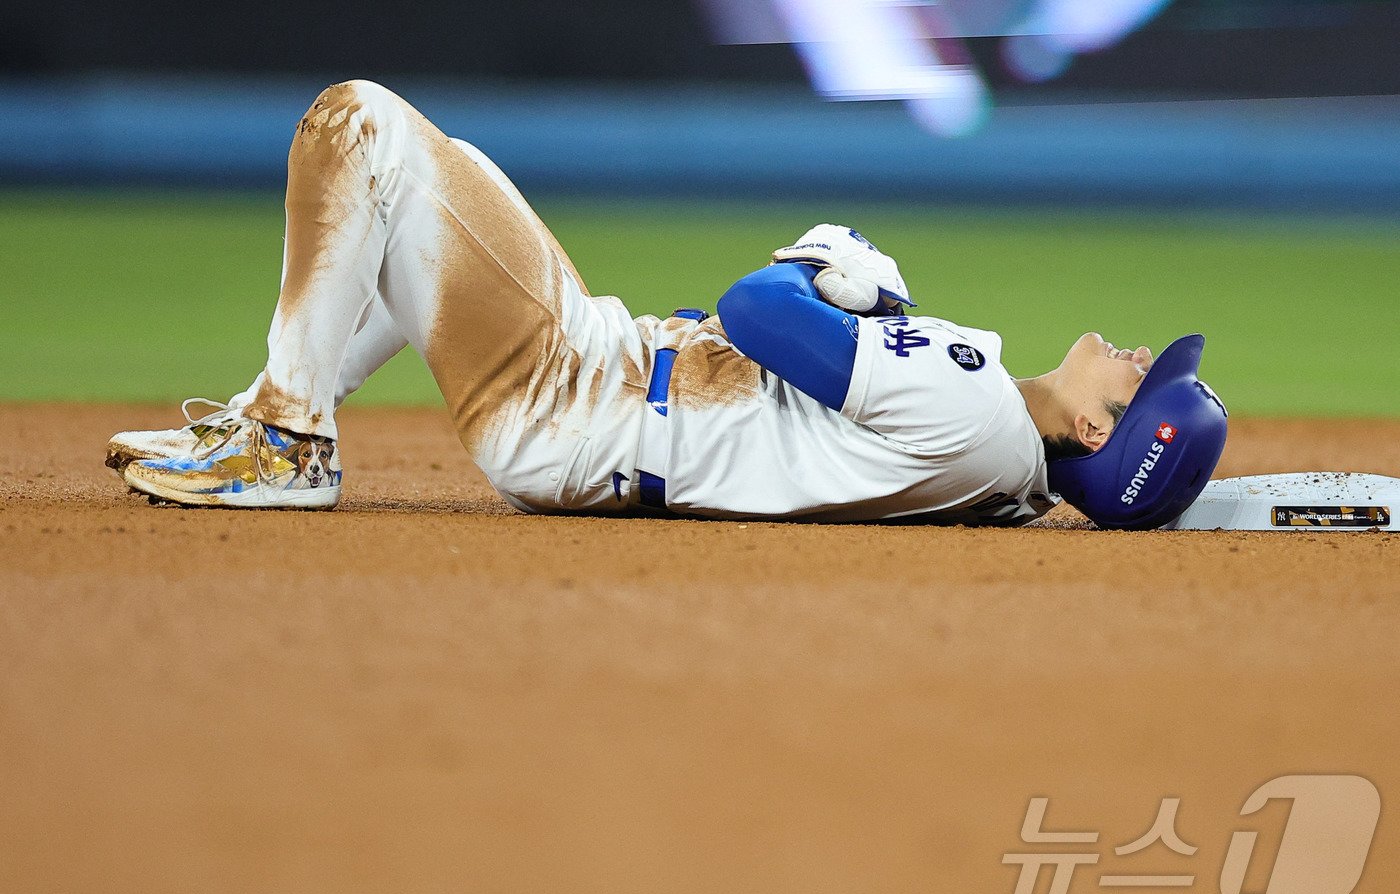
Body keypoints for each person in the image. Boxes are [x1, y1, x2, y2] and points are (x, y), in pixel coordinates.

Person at [107, 80, 1227, 530]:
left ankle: (287, 441)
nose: (1134, 353)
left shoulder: (983, 411)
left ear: (1093, 433)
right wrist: (868, 303)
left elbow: (756, 312)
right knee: (427, 182)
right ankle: (274, 412)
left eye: (1141, 379)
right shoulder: (1004, 480)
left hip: (580, 400)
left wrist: (813, 259)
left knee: (356, 124)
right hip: (600, 400)